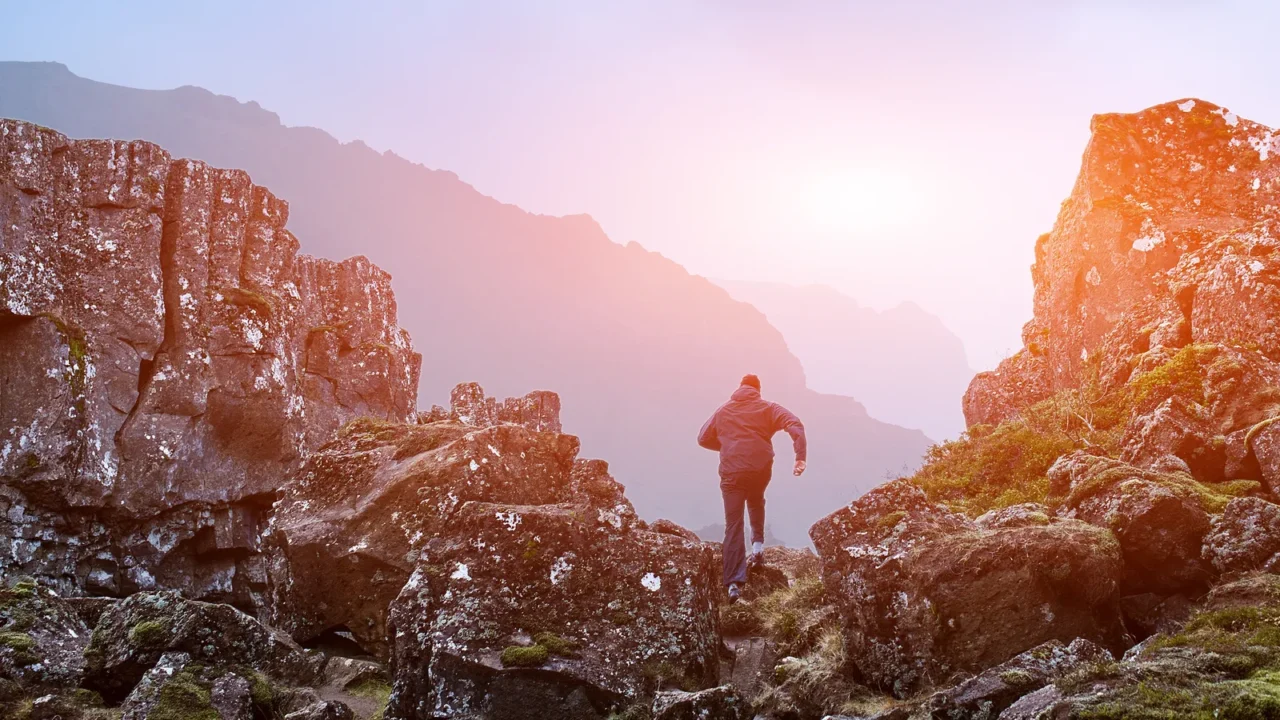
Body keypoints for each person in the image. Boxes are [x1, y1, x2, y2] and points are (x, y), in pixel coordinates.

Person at [697, 374, 806, 602]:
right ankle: (757, 549)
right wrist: (800, 457)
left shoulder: (723, 410)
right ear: (758, 390)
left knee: (733, 523)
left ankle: (734, 584)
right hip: (760, 468)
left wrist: (729, 444)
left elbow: (703, 438)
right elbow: (794, 423)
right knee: (756, 499)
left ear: (740, 388)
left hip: (732, 473)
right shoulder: (768, 408)